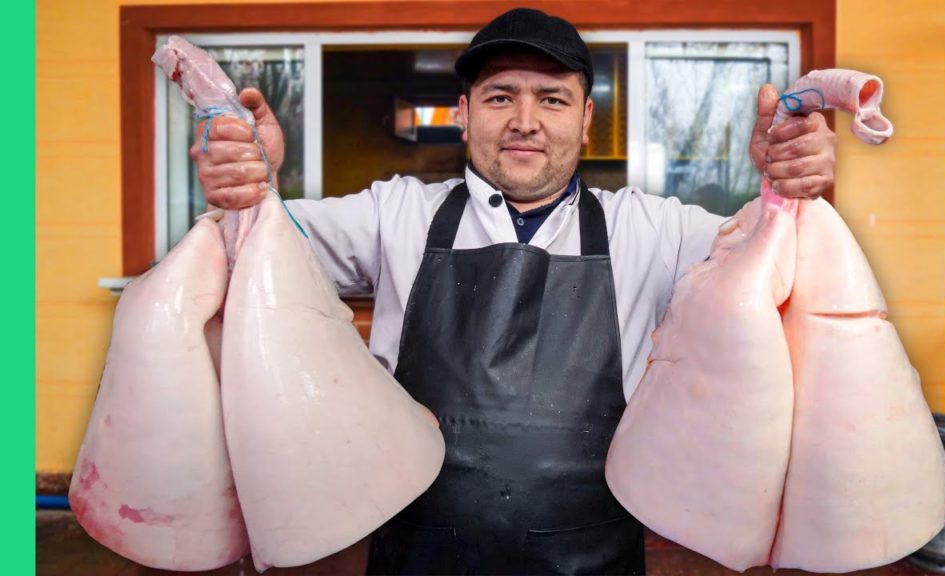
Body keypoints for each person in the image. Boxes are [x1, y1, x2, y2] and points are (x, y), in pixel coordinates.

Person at [192, 8, 836, 574]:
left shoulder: (655, 228)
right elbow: (255, 257)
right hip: (416, 550)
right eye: (501, 97)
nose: (525, 121)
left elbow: (779, 268)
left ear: (586, 120)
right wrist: (256, 189)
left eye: (552, 99)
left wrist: (786, 190)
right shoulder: (394, 214)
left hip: (594, 553)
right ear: (464, 116)